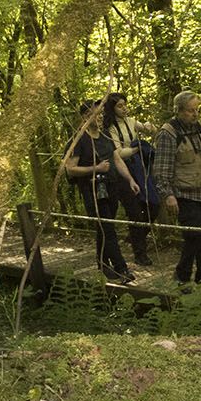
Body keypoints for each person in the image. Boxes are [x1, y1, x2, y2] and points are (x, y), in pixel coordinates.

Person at [153, 91, 201, 286]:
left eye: (197, 110)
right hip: (184, 193)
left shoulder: (198, 128)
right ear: (179, 111)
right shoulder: (168, 134)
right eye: (191, 111)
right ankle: (182, 276)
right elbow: (161, 170)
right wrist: (168, 195)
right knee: (194, 235)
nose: (195, 114)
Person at [61, 101, 135, 284]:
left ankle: (102, 263)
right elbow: (70, 169)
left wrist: (130, 179)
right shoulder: (78, 140)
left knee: (104, 228)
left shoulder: (105, 135)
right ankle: (122, 269)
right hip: (92, 190)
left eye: (101, 114)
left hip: (111, 187)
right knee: (108, 229)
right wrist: (96, 168)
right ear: (86, 117)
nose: (101, 117)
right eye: (97, 114)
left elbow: (117, 159)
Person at [102, 91, 158, 266]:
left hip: (140, 169)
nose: (124, 108)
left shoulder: (132, 122)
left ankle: (136, 238)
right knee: (135, 212)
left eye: (125, 105)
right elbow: (117, 152)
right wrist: (136, 148)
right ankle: (140, 252)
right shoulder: (109, 128)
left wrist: (150, 127)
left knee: (153, 205)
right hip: (122, 172)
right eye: (120, 106)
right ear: (112, 108)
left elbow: (149, 129)